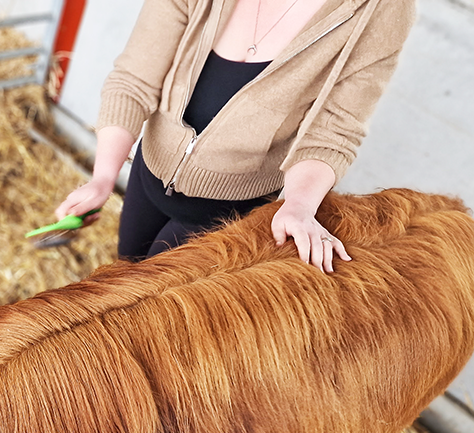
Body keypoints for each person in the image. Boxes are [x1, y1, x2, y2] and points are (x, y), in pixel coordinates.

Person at [54, 0, 416, 272]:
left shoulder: (382, 9)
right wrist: (102, 178)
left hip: (228, 210)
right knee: (126, 269)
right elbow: (135, 77)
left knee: (147, 310)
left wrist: (300, 205)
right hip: (148, 174)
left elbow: (335, 126)